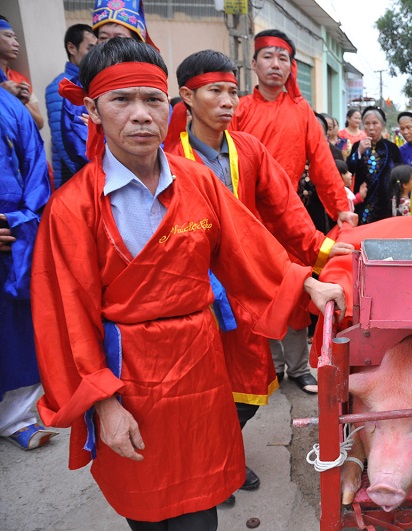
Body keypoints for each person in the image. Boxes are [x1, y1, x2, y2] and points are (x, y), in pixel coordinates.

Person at [34, 37, 344, 530]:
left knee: (202, 512)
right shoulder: (72, 209)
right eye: (121, 100)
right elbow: (65, 318)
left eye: (152, 100)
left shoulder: (197, 182)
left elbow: (248, 248)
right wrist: (104, 405)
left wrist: (308, 283)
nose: (140, 115)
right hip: (128, 376)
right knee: (149, 510)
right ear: (92, 109)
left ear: (169, 105)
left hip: (200, 365)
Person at [165, 49, 355, 504]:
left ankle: (222, 453)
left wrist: (323, 248)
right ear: (188, 97)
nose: (228, 101)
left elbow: (285, 208)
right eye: (216, 91)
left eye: (232, 91)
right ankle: (211, 468)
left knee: (247, 382)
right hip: (191, 289)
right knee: (197, 387)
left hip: (245, 277)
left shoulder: (248, 148)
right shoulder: (168, 156)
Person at [230, 29, 355, 394]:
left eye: (282, 58)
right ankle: (272, 364)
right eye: (267, 56)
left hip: (291, 219)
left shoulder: (301, 112)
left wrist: (341, 210)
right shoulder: (239, 110)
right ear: (253, 64)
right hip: (248, 219)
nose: (275, 64)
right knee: (259, 291)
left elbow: (323, 167)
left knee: (301, 290)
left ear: (291, 66)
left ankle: (299, 367)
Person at [0, 80, 55, 451]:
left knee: (15, 331)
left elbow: (35, 168)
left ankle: (17, 416)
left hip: (10, 233)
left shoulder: (10, 104)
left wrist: (26, 221)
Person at [46, 24, 96, 187]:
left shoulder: (91, 83)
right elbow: (64, 141)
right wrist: (89, 177)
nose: (95, 54)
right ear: (71, 48)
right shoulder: (60, 86)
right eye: (90, 48)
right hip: (74, 177)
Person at [347, 106, 403, 224]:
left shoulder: (392, 148)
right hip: (363, 200)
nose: (371, 127)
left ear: (382, 125)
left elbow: (400, 175)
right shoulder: (358, 146)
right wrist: (359, 152)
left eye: (375, 123)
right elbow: (349, 170)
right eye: (367, 123)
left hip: (385, 201)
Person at [0, 16, 44, 130]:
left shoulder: (20, 79)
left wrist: (21, 103)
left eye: (16, 38)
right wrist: (3, 96)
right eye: (9, 36)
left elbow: (39, 124)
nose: (16, 44)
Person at [92, 0, 156, 47]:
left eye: (118, 38)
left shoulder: (144, 65)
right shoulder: (89, 65)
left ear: (137, 43)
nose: (109, 44)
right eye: (103, 38)